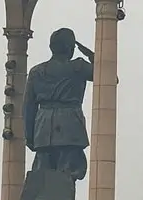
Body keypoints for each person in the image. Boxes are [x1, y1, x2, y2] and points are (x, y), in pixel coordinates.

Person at [23, 28, 95, 181]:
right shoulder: (78, 67)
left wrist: (30, 136)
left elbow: (28, 107)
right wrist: (92, 56)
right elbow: (109, 77)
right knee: (68, 174)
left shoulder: (37, 71)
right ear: (70, 48)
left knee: (41, 175)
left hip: (43, 129)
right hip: (70, 127)